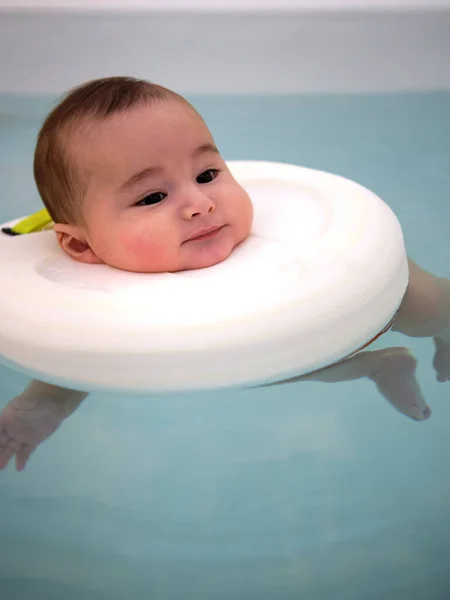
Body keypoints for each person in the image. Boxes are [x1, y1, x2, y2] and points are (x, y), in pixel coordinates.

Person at [1, 77, 449, 472]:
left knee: (430, 308)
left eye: (207, 172)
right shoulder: (92, 307)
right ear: (81, 245)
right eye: (153, 196)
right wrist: (37, 409)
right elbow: (79, 354)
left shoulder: (301, 244)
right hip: (268, 348)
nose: (200, 202)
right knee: (262, 370)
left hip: (334, 287)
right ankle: (378, 365)